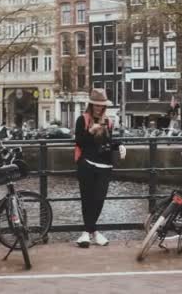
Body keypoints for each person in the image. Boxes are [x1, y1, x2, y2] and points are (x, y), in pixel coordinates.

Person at [74, 89, 126, 248]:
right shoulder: (82, 120)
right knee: (87, 198)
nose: (98, 107)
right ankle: (90, 233)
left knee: (99, 199)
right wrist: (90, 132)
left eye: (101, 105)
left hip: (104, 165)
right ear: (91, 104)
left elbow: (108, 141)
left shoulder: (108, 121)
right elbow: (79, 142)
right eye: (96, 104)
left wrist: (120, 144)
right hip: (87, 164)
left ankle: (89, 232)